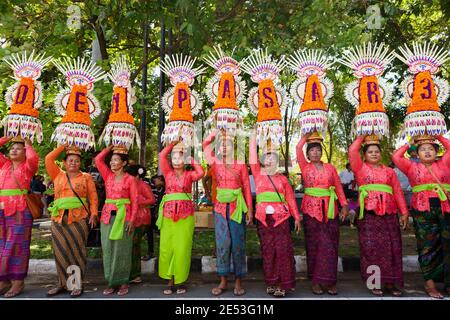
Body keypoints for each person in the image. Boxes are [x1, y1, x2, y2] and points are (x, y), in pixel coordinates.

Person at [349, 136, 409, 296]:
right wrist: (362, 134)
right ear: (364, 155)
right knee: (371, 249)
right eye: (370, 152)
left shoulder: (389, 171)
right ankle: (374, 283)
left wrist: (403, 212)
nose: (374, 154)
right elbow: (352, 150)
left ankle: (391, 283)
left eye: (377, 151)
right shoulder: (360, 168)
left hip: (389, 214)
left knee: (392, 248)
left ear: (381, 154)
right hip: (369, 215)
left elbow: (397, 192)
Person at [392, 135, 450, 299]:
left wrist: (437, 135)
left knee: (448, 244)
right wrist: (410, 143)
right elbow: (396, 157)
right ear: (417, 154)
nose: (427, 151)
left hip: (445, 209)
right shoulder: (411, 166)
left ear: (437, 152)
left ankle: (448, 283)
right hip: (422, 210)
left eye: (431, 148)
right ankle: (429, 283)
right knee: (427, 245)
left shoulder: (444, 163)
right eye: (423, 149)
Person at [296, 133, 348, 295]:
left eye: (318, 150)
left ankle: (331, 281)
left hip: (330, 210)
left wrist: (344, 205)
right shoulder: (305, 167)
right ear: (308, 153)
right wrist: (306, 135)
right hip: (311, 210)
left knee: (330, 244)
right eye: (312, 150)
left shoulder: (331, 168)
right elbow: (298, 147)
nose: (316, 153)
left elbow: (338, 187)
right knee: (314, 245)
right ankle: (316, 281)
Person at [250, 132, 301, 297]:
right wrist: (253, 135)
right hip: (264, 220)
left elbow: (291, 200)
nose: (270, 160)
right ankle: (271, 281)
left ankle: (282, 283)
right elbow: (251, 155)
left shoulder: (283, 180)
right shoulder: (258, 174)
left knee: (282, 251)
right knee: (268, 250)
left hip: (281, 219)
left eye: (273, 157)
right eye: (267, 157)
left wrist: (297, 218)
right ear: (263, 160)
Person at [203, 130, 253, 296]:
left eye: (228, 145)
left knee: (238, 244)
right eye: (221, 145)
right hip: (220, 209)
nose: (224, 148)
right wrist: (215, 132)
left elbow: (246, 187)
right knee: (223, 245)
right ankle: (223, 280)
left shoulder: (240, 164)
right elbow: (204, 146)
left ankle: (238, 281)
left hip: (237, 208)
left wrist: (250, 211)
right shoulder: (215, 163)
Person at [45, 145, 99, 297]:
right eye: (70, 160)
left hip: (79, 218)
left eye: (76, 161)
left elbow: (93, 197)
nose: (73, 163)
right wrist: (63, 145)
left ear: (80, 163)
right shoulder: (57, 174)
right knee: (60, 251)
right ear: (64, 162)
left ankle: (75, 284)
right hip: (58, 219)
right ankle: (62, 283)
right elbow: (49, 158)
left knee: (77, 251)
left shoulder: (86, 177)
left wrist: (94, 214)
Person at [157, 140, 204, 295]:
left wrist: (190, 156)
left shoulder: (190, 175)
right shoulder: (167, 173)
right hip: (168, 215)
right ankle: (170, 280)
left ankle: (181, 280)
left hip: (185, 216)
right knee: (167, 248)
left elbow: (201, 172)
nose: (177, 160)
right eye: (174, 157)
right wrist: (172, 144)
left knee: (182, 248)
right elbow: (162, 155)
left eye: (180, 157)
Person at [95, 145, 138, 296]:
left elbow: (135, 201)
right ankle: (111, 282)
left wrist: (132, 220)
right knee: (108, 249)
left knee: (123, 250)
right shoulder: (108, 176)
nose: (112, 163)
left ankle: (123, 281)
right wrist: (110, 148)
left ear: (124, 163)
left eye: (116, 160)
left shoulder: (131, 180)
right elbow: (98, 160)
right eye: (111, 160)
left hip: (124, 218)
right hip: (107, 218)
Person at [0, 137, 39, 298]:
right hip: (2, 209)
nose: (14, 150)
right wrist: (10, 136)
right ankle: (4, 279)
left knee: (17, 246)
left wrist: (27, 143)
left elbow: (34, 158)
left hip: (21, 209)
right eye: (12, 148)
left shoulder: (28, 167)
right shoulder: (4, 164)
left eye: (18, 148)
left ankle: (18, 281)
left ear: (25, 152)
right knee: (1, 246)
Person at [126, 165, 155, 284]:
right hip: (131, 218)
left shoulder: (143, 185)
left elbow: (152, 200)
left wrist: (137, 201)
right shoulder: (129, 183)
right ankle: (131, 273)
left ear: (137, 176)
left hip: (141, 219)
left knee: (134, 246)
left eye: (130, 175)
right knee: (131, 246)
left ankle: (135, 274)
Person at [142, 174, 165, 261]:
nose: (154, 184)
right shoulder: (158, 189)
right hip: (154, 212)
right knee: (149, 232)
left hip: (160, 214)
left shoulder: (166, 189)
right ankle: (150, 252)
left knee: (158, 233)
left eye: (155, 181)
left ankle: (159, 253)